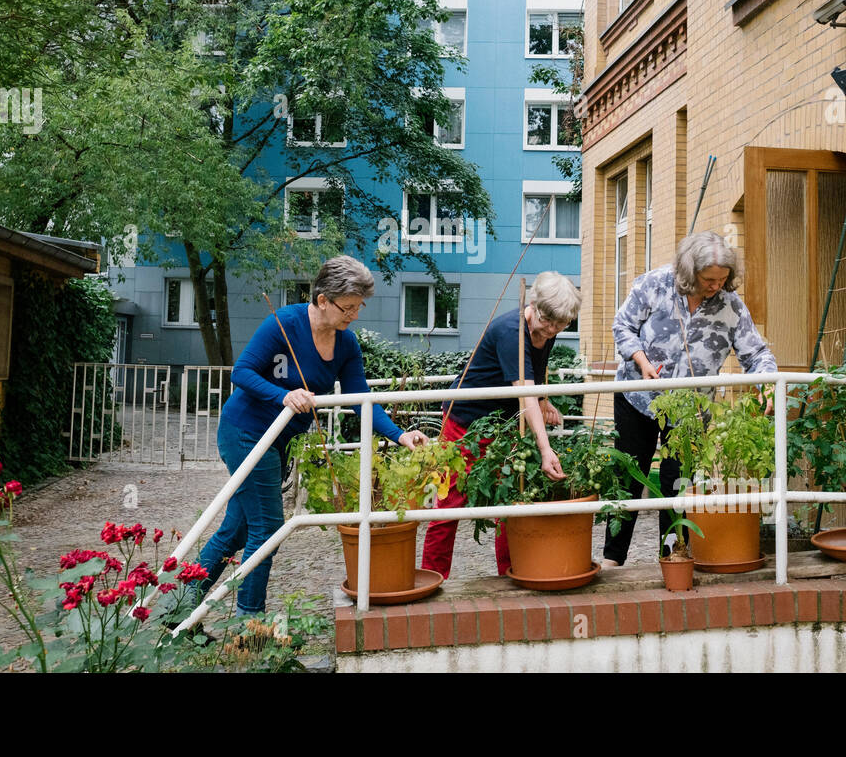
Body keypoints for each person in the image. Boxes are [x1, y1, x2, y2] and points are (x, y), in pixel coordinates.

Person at [193, 256, 428, 614]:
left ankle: (179, 603)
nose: (355, 315)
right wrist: (284, 395)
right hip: (245, 432)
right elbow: (240, 372)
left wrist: (399, 436)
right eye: (348, 307)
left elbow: (360, 400)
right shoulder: (283, 324)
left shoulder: (346, 345)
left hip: (280, 441)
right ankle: (249, 622)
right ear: (322, 300)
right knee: (268, 527)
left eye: (358, 307)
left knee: (239, 528)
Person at [602, 231, 777, 569]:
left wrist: (767, 383)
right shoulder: (654, 284)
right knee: (627, 475)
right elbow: (622, 326)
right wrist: (640, 359)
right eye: (709, 279)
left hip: (690, 411)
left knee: (677, 484)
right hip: (637, 398)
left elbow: (757, 353)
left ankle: (672, 557)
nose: (716, 286)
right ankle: (613, 559)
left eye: (723, 279)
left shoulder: (731, 306)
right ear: (689, 272)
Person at [421, 271, 580, 579]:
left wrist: (545, 399)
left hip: (501, 425)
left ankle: (510, 574)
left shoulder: (547, 327)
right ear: (533, 305)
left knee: (509, 499)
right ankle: (433, 578)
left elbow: (537, 371)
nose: (552, 331)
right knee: (449, 504)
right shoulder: (511, 332)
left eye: (560, 325)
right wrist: (545, 449)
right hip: (463, 421)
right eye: (548, 322)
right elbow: (525, 396)